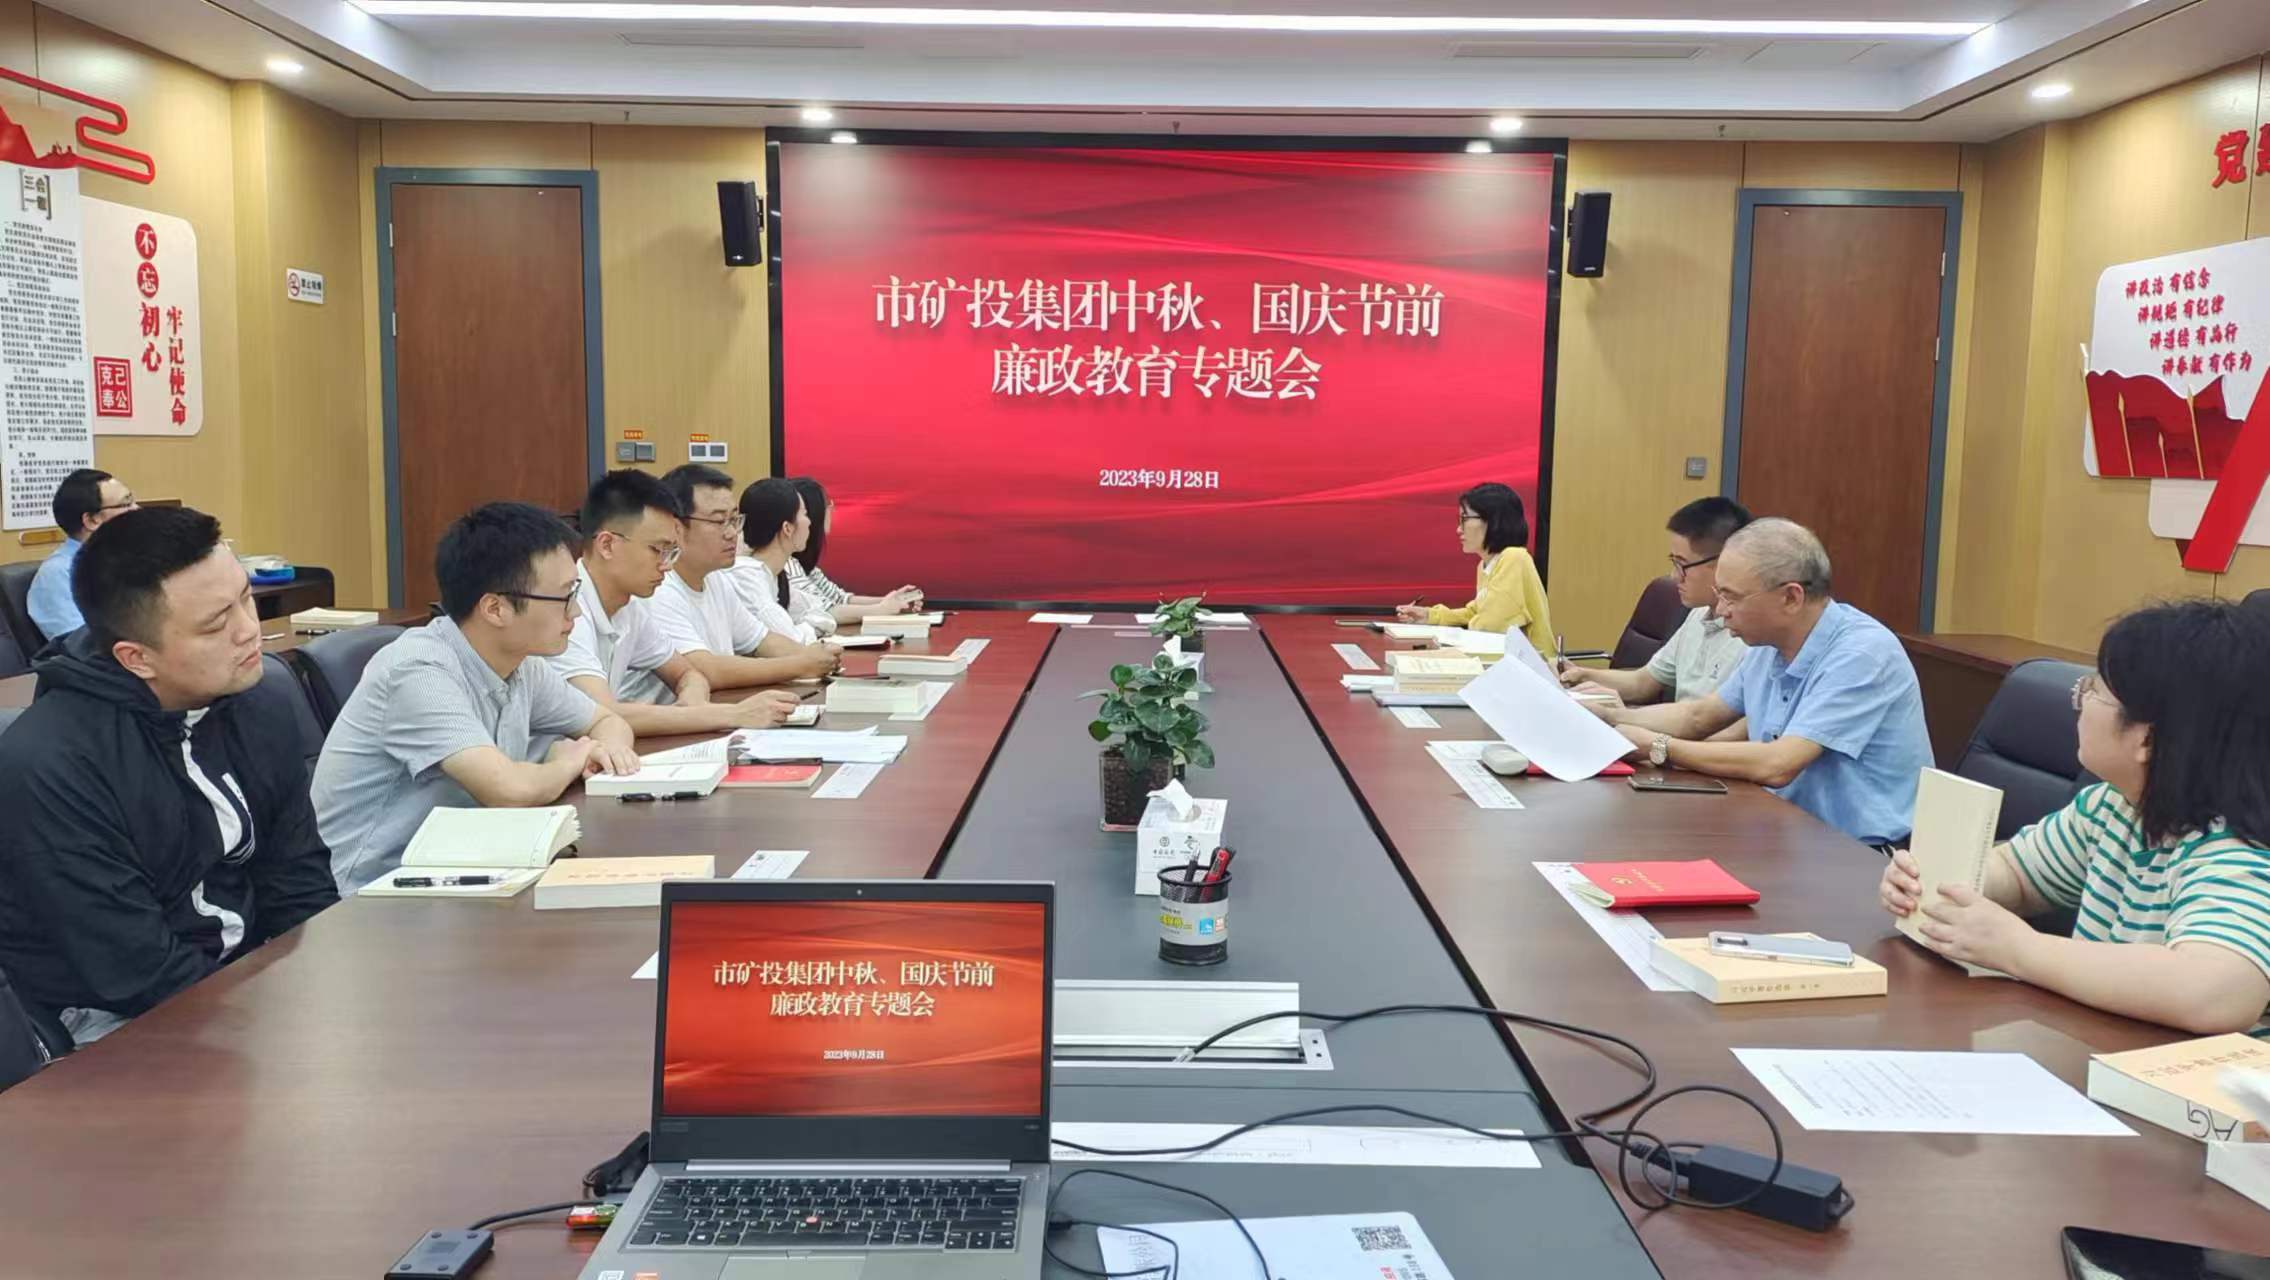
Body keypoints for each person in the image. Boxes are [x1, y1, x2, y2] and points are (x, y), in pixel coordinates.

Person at [0, 507, 337, 1049]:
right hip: (116, 1024)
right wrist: (272, 1033)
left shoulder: (256, 702)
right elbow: (134, 970)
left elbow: (300, 883)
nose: (249, 630)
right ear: (137, 658)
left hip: (247, 986)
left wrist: (324, 995)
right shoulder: (49, 766)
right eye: (216, 624)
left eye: (245, 599)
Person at [1881, 599, 2270, 1035]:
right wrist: (1940, 881)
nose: (2079, 700)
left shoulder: (2236, 850)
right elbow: (2019, 874)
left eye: (2095, 690)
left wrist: (2019, 949)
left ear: (2147, 739)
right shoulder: (2112, 806)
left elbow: (2216, 993)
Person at [313, 502, 638, 894]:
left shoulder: (521, 664)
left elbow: (607, 721)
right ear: (495, 608)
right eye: (564, 597)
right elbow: (509, 791)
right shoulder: (418, 671)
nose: (577, 612)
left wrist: (607, 753)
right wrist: (568, 761)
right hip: (373, 894)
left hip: (468, 868)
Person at [1595, 517, 1931, 848]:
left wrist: (1661, 747)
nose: (1721, 610)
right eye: (1719, 594)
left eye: (1732, 597)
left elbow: (1778, 764)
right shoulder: (1767, 645)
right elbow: (1698, 716)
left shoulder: (1862, 654)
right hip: (1783, 829)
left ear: (1791, 598)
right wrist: (1610, 718)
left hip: (1862, 855)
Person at [550, 470, 801, 737]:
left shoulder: (630, 607)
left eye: (671, 552)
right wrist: (732, 714)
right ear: (607, 545)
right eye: (657, 550)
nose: (666, 565)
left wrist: (693, 702)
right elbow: (601, 714)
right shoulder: (565, 610)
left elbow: (687, 673)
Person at [651, 466, 839, 690]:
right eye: (719, 521)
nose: (733, 533)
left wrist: (817, 658)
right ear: (677, 528)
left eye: (734, 520)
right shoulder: (658, 589)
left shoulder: (716, 580)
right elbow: (705, 669)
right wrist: (801, 664)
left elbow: (761, 640)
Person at [1559, 497, 1752, 705]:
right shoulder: (1698, 614)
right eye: (1673, 562)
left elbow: (1702, 719)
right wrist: (1580, 675)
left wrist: (1623, 717)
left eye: (1682, 565)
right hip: (1668, 723)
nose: (1675, 576)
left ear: (1723, 563)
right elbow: (1642, 683)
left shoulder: (1752, 637)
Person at [1397, 482, 1555, 656]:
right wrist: (1429, 615)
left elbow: (1491, 626)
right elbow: (1476, 612)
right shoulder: (1486, 565)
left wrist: (1451, 635)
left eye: (1464, 519)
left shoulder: (1514, 558)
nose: (1458, 529)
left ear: (1493, 520)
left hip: (1530, 668)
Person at [787, 476, 924, 629]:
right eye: (803, 514)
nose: (832, 509)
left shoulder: (804, 564)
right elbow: (824, 612)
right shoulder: (787, 565)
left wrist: (893, 602)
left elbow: (839, 599)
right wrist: (882, 609)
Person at [25, 467, 137, 639]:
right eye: (126, 504)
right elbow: (80, 646)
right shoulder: (58, 573)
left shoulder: (127, 559)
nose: (137, 509)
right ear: (91, 520)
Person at [724, 478, 827, 646]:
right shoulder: (747, 577)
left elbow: (820, 610)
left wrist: (806, 627)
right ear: (787, 528)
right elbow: (793, 641)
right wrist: (810, 628)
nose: (809, 522)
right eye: (804, 514)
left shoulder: (774, 574)